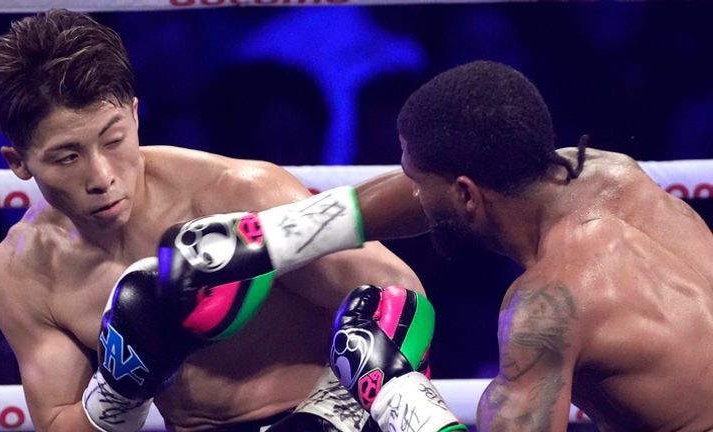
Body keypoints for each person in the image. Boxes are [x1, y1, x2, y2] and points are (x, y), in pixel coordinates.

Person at [0, 9, 424, 432]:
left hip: (326, 410)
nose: (101, 176)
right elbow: (60, 423)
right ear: (19, 163)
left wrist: (329, 419)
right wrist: (119, 388)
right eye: (68, 156)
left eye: (113, 139)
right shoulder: (25, 271)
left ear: (136, 115)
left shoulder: (233, 193)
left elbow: (402, 299)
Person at [212, 60, 713, 431]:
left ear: (466, 194)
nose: (409, 191)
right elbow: (432, 191)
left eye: (415, 177)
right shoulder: (609, 173)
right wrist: (272, 238)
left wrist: (398, 397)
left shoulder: (549, 305)